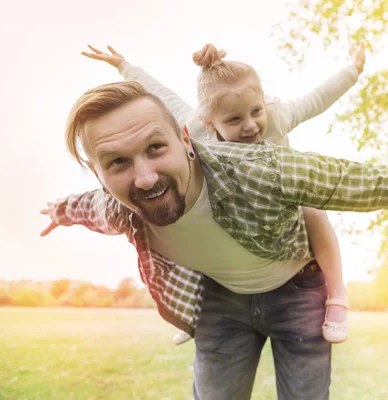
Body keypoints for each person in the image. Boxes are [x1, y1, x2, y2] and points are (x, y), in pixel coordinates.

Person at [41, 80, 388, 400]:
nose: (146, 178)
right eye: (118, 164)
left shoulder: (263, 171)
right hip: (220, 303)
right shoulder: (115, 206)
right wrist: (58, 211)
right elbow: (82, 206)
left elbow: (371, 182)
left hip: (298, 293)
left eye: (156, 148)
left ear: (185, 139)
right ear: (99, 172)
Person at [81, 42, 366, 344]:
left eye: (255, 111)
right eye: (234, 119)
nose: (250, 125)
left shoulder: (277, 117)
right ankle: (194, 312)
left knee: (313, 209)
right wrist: (125, 66)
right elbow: (161, 95)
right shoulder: (194, 125)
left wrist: (353, 69)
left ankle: (337, 297)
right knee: (192, 221)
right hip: (231, 204)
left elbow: (317, 98)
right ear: (209, 121)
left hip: (278, 202)